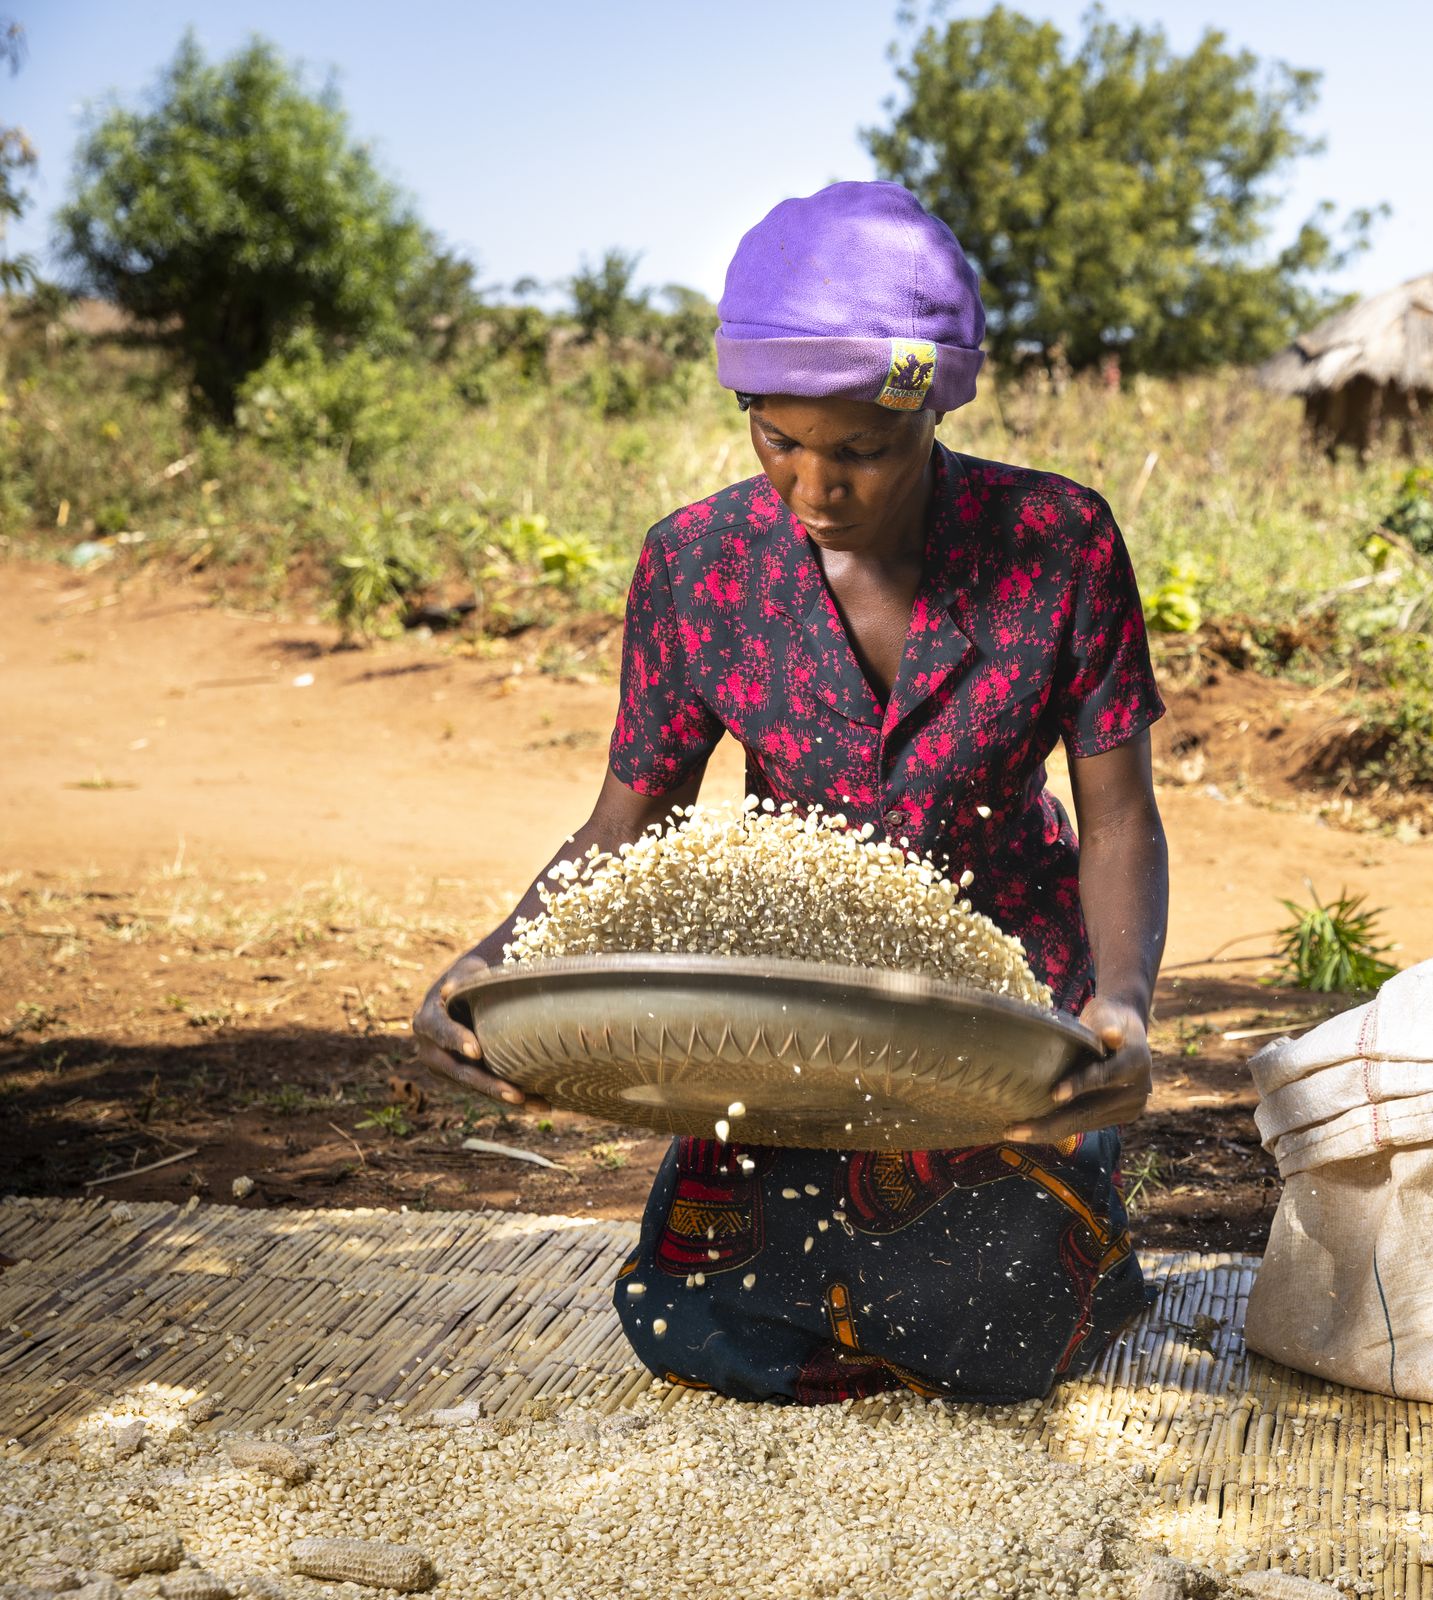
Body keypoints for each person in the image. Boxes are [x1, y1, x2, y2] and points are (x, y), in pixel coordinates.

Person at [409, 182, 1169, 1404]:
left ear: (932, 408)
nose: (816, 487)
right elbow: (629, 819)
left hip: (1013, 1012)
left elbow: (1120, 813)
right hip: (794, 1003)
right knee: (697, 1313)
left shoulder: (1058, 540)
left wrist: (1122, 1003)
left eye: (862, 448)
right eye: (779, 438)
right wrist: (490, 964)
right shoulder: (697, 564)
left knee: (1007, 1315)